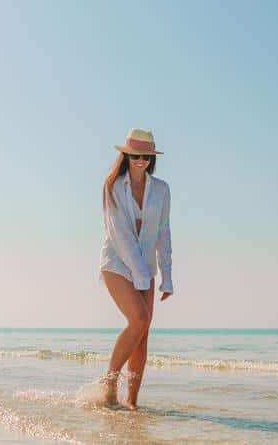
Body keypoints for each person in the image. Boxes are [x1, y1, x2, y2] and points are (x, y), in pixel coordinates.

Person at [98, 127, 173, 410]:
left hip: (148, 267)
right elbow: (120, 234)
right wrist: (141, 275)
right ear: (126, 155)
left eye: (146, 155)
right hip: (117, 263)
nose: (141, 160)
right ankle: (108, 383)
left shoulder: (162, 189)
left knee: (143, 336)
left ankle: (131, 402)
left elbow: (164, 232)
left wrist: (166, 276)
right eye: (135, 155)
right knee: (139, 319)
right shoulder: (113, 186)